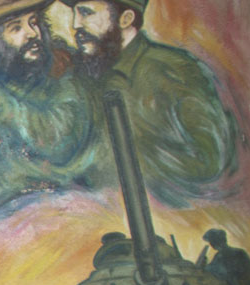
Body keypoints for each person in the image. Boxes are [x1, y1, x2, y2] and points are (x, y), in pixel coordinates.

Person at [62, 0, 238, 207]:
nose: (75, 25)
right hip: (95, 213)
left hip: (172, 215)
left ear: (126, 19)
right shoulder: (83, 75)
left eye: (86, 13)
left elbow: (209, 161)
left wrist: (120, 163)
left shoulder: (175, 70)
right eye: (75, 14)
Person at [0, 0, 97, 216]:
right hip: (2, 217)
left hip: (64, 210)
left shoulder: (64, 72)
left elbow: (58, 139)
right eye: (16, 28)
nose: (32, 34)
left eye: (33, 23)